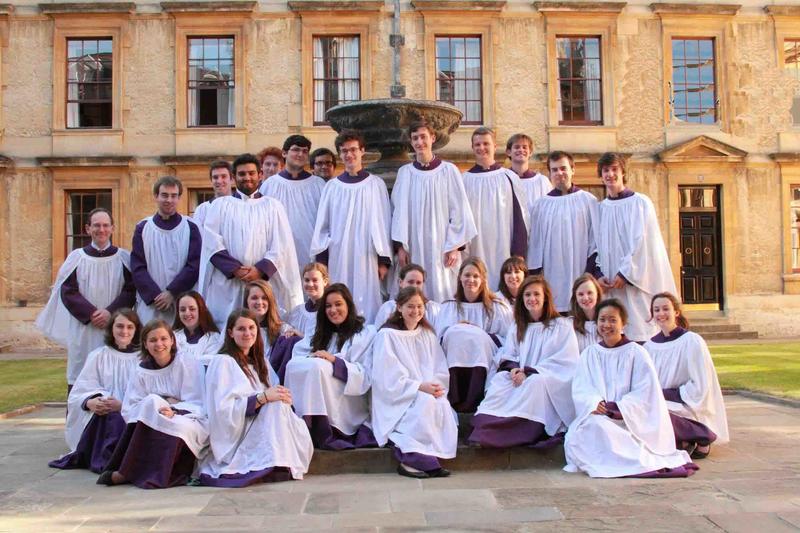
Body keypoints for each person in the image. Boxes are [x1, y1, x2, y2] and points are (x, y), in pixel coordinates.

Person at [564, 299, 698, 478]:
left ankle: (634, 463)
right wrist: (593, 403)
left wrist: (619, 408)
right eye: (602, 320)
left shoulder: (637, 352)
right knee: (584, 433)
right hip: (599, 414)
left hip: (630, 419)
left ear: (623, 324)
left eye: (613, 320)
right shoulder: (590, 354)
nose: (606, 325)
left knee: (614, 433)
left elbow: (646, 391)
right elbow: (582, 386)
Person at [198, 309, 313, 486]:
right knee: (274, 406)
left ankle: (279, 463)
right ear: (230, 333)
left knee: (284, 410)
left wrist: (282, 397)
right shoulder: (222, 362)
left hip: (260, 421)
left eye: (252, 328)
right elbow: (222, 410)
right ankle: (270, 464)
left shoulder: (260, 362)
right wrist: (262, 398)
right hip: (237, 430)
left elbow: (272, 390)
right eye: (241, 329)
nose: (248, 333)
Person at [470, 276, 579, 448]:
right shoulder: (518, 326)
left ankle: (516, 432)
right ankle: (486, 431)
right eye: (527, 295)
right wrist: (513, 369)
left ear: (545, 298)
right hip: (520, 374)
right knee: (499, 381)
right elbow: (509, 353)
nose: (532, 299)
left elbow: (566, 360)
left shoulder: (561, 326)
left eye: (536, 294)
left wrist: (529, 371)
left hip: (546, 379)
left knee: (534, 382)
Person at [97, 320, 208, 488]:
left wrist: (174, 410)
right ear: (145, 344)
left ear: (172, 340)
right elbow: (130, 408)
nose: (159, 344)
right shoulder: (141, 370)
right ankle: (131, 471)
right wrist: (159, 403)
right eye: (153, 340)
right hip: (151, 417)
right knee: (151, 401)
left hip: (188, 416)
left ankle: (132, 472)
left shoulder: (186, 363)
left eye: (164, 339)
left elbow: (198, 400)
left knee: (177, 427)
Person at [36, 207, 136, 391]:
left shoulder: (123, 258)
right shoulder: (76, 258)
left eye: (106, 225)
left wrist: (110, 313)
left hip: (114, 327)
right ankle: (79, 418)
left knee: (114, 377)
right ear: (87, 229)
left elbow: (130, 290)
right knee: (81, 375)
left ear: (113, 228)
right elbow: (68, 291)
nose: (101, 230)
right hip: (84, 329)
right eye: (96, 225)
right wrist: (91, 314)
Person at [198, 157, 303, 331]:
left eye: (251, 173)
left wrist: (259, 270)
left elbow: (281, 245)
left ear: (260, 175)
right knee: (229, 330)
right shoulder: (219, 205)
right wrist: (235, 269)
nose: (247, 177)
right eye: (241, 174)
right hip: (229, 283)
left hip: (262, 283)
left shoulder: (273, 206)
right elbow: (211, 243)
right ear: (233, 177)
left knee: (263, 329)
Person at [371, 287, 457, 478]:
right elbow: (386, 377)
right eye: (410, 306)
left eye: (420, 306)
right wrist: (418, 387)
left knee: (440, 403)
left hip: (426, 388)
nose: (416, 311)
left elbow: (439, 367)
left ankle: (428, 458)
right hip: (399, 395)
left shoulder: (427, 333)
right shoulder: (387, 335)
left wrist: (434, 386)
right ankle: (412, 460)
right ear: (399, 307)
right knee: (424, 403)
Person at [391, 119, 477, 302]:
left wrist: (455, 246)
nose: (419, 142)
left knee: (442, 289)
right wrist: (400, 247)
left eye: (423, 137)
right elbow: (397, 213)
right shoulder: (405, 173)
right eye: (415, 138)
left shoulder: (449, 171)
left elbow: (460, 210)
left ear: (432, 138)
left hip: (442, 245)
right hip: (413, 243)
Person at [310, 130, 392, 322]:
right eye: (344, 151)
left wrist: (383, 261)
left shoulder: (376, 184)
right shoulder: (332, 187)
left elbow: (383, 222)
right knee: (338, 297)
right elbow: (323, 226)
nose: (349, 155)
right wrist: (322, 261)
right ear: (340, 154)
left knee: (367, 301)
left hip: (367, 254)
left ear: (362, 151)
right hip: (339, 254)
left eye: (353, 149)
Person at [595, 152, 677, 341]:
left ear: (623, 172)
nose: (610, 174)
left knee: (639, 331)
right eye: (605, 170)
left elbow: (643, 242)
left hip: (636, 282)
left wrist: (625, 274)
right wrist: (600, 276)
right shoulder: (600, 209)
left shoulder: (640, 203)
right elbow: (595, 246)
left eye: (614, 169)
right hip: (610, 286)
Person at [285, 284, 377, 449]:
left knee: (317, 367)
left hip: (348, 397)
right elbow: (299, 354)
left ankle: (322, 430)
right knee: (294, 365)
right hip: (320, 381)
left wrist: (334, 361)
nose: (333, 310)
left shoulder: (364, 333)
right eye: (328, 306)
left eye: (338, 304)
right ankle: (300, 426)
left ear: (348, 304)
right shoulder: (319, 332)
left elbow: (366, 374)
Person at [49, 309, 142, 473]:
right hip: (103, 413)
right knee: (108, 414)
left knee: (119, 418)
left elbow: (148, 392)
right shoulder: (98, 356)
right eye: (119, 326)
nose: (124, 331)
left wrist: (123, 406)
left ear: (136, 331)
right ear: (111, 328)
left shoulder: (143, 359)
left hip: (132, 411)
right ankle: (107, 461)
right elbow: (78, 393)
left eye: (130, 327)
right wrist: (90, 402)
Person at [644, 293, 729, 459]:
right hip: (659, 400)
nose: (661, 313)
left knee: (658, 415)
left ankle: (700, 434)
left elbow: (701, 385)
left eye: (665, 309)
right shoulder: (649, 346)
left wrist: (668, 394)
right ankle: (684, 439)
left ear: (676, 312)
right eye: (656, 310)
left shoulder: (691, 341)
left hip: (685, 404)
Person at [435, 257, 513, 412]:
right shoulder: (449, 306)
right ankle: (455, 400)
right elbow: (439, 339)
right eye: (467, 275)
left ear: (483, 279)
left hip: (485, 354)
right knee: (455, 333)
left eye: (476, 276)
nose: (471, 280)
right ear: (460, 278)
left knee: (473, 335)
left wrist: (478, 332)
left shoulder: (497, 307)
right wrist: (458, 330)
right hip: (454, 352)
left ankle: (476, 399)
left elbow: (509, 341)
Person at [528, 151, 599, 313]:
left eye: (563, 168)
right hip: (552, 277)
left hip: (581, 275)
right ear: (549, 173)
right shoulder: (541, 205)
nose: (559, 173)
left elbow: (595, 242)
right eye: (554, 170)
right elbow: (535, 245)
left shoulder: (588, 201)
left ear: (572, 169)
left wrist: (589, 274)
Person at [463, 127, 529, 289]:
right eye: (477, 144)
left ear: (495, 146)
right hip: (475, 245)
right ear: (472, 148)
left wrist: (519, 252)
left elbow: (520, 217)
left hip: (503, 244)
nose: (481, 148)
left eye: (486, 143)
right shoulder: (464, 179)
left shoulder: (509, 177)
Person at [131, 176, 201, 325]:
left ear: (179, 197)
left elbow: (194, 264)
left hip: (181, 303)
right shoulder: (143, 228)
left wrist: (172, 293)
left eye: (173, 196)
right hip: (152, 304)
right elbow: (138, 266)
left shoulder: (191, 227)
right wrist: (155, 296)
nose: (169, 200)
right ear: (156, 196)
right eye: (164, 195)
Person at [259, 135, 325, 274]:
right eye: (295, 150)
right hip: (278, 255)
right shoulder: (270, 185)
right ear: (284, 153)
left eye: (305, 151)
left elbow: (326, 223)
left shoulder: (318, 185)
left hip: (310, 253)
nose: (300, 154)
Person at [243, 280, 301, 384]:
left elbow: (304, 347)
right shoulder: (238, 326)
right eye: (254, 298)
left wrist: (298, 334)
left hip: (272, 380)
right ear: (246, 301)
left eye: (264, 298)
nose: (259, 302)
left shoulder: (282, 328)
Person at [373, 263, 440, 327]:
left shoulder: (434, 309)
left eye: (418, 283)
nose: (414, 286)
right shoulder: (388, 308)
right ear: (400, 282)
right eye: (410, 282)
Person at [505, 133, 553, 213]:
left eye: (524, 147)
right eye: (517, 147)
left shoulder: (541, 182)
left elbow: (549, 210)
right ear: (509, 152)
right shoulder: (503, 180)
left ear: (530, 152)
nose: (521, 150)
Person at [172, 291, 222, 366]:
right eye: (182, 310)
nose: (187, 313)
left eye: (192, 309)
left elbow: (211, 364)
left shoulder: (213, 338)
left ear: (200, 310)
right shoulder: (173, 336)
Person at [285, 262, 330, 338]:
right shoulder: (297, 311)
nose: (310, 284)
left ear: (325, 281)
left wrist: (300, 335)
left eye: (315, 280)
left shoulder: (328, 310)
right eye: (307, 280)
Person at [192, 160, 237, 229]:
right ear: (211, 180)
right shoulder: (202, 210)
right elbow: (199, 237)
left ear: (232, 179)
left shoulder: (241, 206)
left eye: (224, 176)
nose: (219, 181)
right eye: (215, 177)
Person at [569, 274, 604, 353]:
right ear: (575, 298)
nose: (585, 298)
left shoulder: (607, 321)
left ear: (597, 294)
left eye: (589, 293)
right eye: (581, 294)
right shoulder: (569, 324)